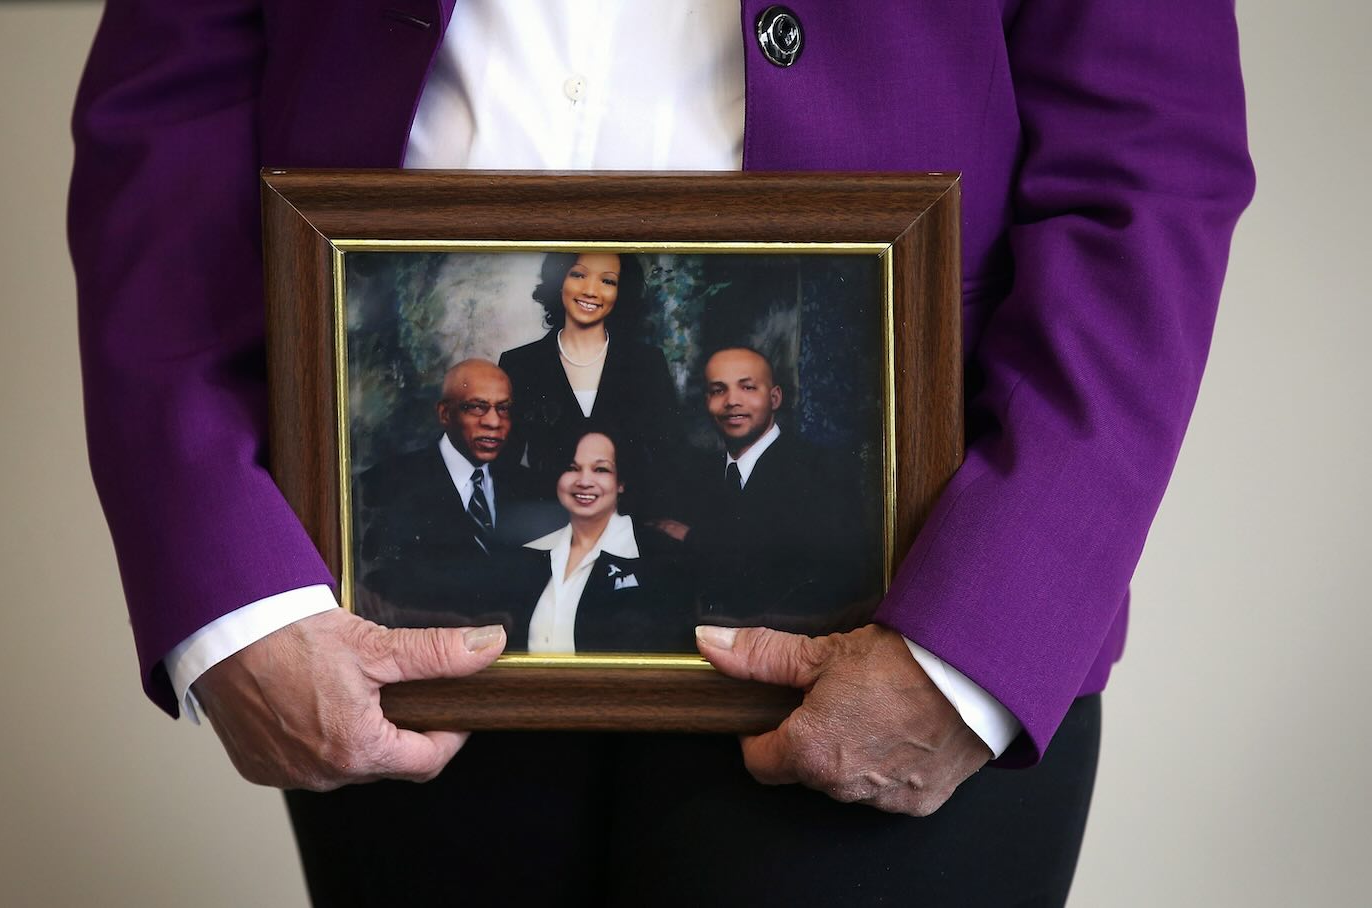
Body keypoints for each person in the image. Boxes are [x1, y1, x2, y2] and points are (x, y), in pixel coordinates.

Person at [68, 1, 1254, 903]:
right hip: (379, 628)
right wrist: (230, 594)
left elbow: (1148, 168)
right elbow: (160, 144)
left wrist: (986, 634)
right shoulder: (516, 385)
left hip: (901, 625)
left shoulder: (668, 378)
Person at [655, 346, 877, 632]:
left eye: (747, 387)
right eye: (718, 390)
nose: (732, 401)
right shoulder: (694, 477)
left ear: (774, 398)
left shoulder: (821, 471)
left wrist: (693, 538)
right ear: (707, 401)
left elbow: (828, 577)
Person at [355, 359, 548, 629]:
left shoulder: (532, 487)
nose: (494, 422)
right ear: (445, 414)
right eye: (477, 407)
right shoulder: (385, 485)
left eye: (503, 409)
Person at [498, 252, 682, 516]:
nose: (591, 291)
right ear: (559, 280)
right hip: (545, 520)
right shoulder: (519, 364)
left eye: (608, 281)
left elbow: (669, 454)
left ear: (621, 292)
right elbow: (502, 464)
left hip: (632, 520)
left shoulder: (647, 362)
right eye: (579, 274)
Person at [506, 430, 693, 653]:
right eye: (572, 468)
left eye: (600, 469)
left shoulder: (658, 556)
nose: (584, 481)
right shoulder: (530, 554)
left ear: (621, 481)